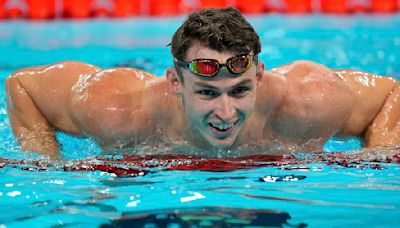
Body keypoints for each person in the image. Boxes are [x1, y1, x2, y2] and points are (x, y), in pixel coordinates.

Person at [5, 7, 400, 158]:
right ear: (176, 83)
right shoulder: (118, 110)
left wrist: (378, 155)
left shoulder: (307, 101)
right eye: (207, 93)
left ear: (259, 76)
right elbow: (22, 85)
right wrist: (46, 162)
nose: (226, 113)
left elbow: (390, 93)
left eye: (240, 90)